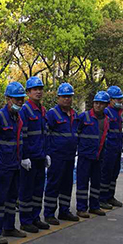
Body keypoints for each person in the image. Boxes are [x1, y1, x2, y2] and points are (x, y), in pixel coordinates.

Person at [0, 82, 28, 243]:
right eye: (17, 99)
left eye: (21, 99)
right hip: (2, 166)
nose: (20, 102)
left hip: (15, 165)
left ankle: (9, 227)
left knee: (12, 199)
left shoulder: (18, 118)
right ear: (8, 99)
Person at [43, 83, 80, 225]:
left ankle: (64, 211)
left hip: (70, 156)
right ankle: (49, 213)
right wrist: (47, 153)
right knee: (53, 184)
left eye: (69, 96)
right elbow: (46, 134)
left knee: (67, 184)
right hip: (56, 156)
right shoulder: (52, 114)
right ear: (58, 98)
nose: (67, 99)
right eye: (64, 96)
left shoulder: (74, 114)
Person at [18, 76, 50, 233]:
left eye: (40, 89)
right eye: (35, 89)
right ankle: (25, 220)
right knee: (27, 191)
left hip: (40, 157)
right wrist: (24, 156)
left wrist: (46, 154)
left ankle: (35, 217)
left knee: (38, 191)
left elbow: (44, 134)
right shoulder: (25, 110)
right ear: (28, 92)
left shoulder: (42, 110)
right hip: (29, 158)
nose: (38, 92)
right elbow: (22, 135)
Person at [76, 91, 110, 218]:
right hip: (85, 156)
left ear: (106, 105)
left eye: (101, 103)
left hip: (99, 156)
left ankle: (94, 206)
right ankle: (81, 208)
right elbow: (76, 133)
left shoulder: (106, 120)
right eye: (96, 103)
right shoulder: (84, 117)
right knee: (82, 183)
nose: (98, 106)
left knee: (96, 183)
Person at [99, 85, 123, 209]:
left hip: (117, 148)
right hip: (108, 149)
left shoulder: (118, 112)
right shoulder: (106, 112)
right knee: (106, 174)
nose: (120, 101)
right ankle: (102, 198)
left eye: (121, 99)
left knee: (114, 173)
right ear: (110, 100)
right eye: (118, 99)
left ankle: (110, 196)